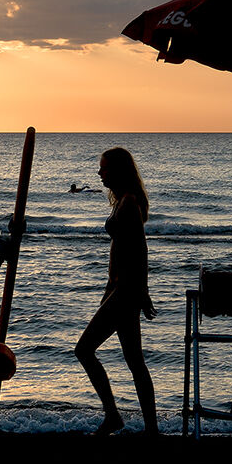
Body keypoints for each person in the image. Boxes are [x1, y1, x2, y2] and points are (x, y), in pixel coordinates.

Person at [75, 147, 158, 435]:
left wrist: (142, 292)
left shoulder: (129, 203)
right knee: (135, 361)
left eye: (104, 168)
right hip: (119, 289)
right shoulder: (122, 201)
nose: (99, 172)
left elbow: (140, 250)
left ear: (119, 170)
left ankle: (114, 415)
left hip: (125, 291)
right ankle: (150, 429)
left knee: (84, 350)